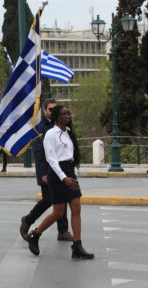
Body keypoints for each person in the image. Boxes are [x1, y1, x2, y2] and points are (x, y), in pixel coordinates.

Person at [25, 105, 94, 260]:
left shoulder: (68, 132)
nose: (68, 115)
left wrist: (70, 174)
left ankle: (77, 246)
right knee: (58, 212)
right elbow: (51, 159)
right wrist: (64, 178)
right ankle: (35, 235)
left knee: (76, 207)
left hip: (69, 170)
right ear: (57, 117)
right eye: (64, 113)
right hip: (57, 174)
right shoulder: (50, 134)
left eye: (68, 113)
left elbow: (70, 154)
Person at [20, 99, 73, 242]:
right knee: (49, 199)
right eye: (50, 109)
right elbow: (38, 151)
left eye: (56, 109)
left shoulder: (60, 125)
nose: (53, 112)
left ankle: (62, 231)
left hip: (60, 170)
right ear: (44, 111)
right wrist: (43, 173)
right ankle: (28, 219)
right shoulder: (40, 127)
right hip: (47, 170)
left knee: (63, 199)